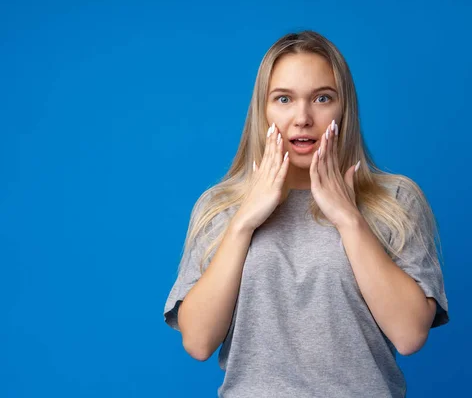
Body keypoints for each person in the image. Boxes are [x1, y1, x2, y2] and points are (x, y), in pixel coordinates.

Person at [163, 30, 450, 398]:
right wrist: (243, 223)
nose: (302, 117)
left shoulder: (395, 201)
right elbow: (199, 342)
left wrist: (348, 218)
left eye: (322, 98)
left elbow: (410, 334)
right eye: (283, 99)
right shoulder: (220, 208)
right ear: (262, 110)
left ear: (343, 107)